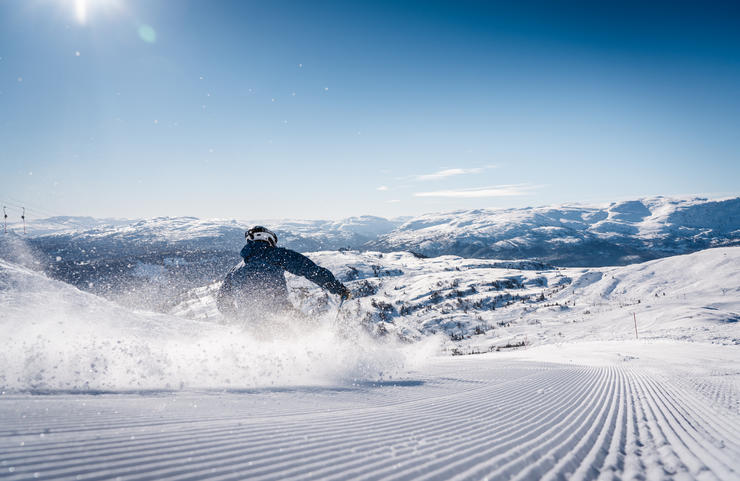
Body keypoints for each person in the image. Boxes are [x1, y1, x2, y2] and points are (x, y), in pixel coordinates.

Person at [216, 226, 351, 322]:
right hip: (280, 315)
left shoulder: (236, 270)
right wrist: (338, 288)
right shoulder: (276, 254)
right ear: (269, 240)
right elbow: (310, 270)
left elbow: (222, 301)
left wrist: (238, 318)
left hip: (250, 324)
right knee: (310, 333)